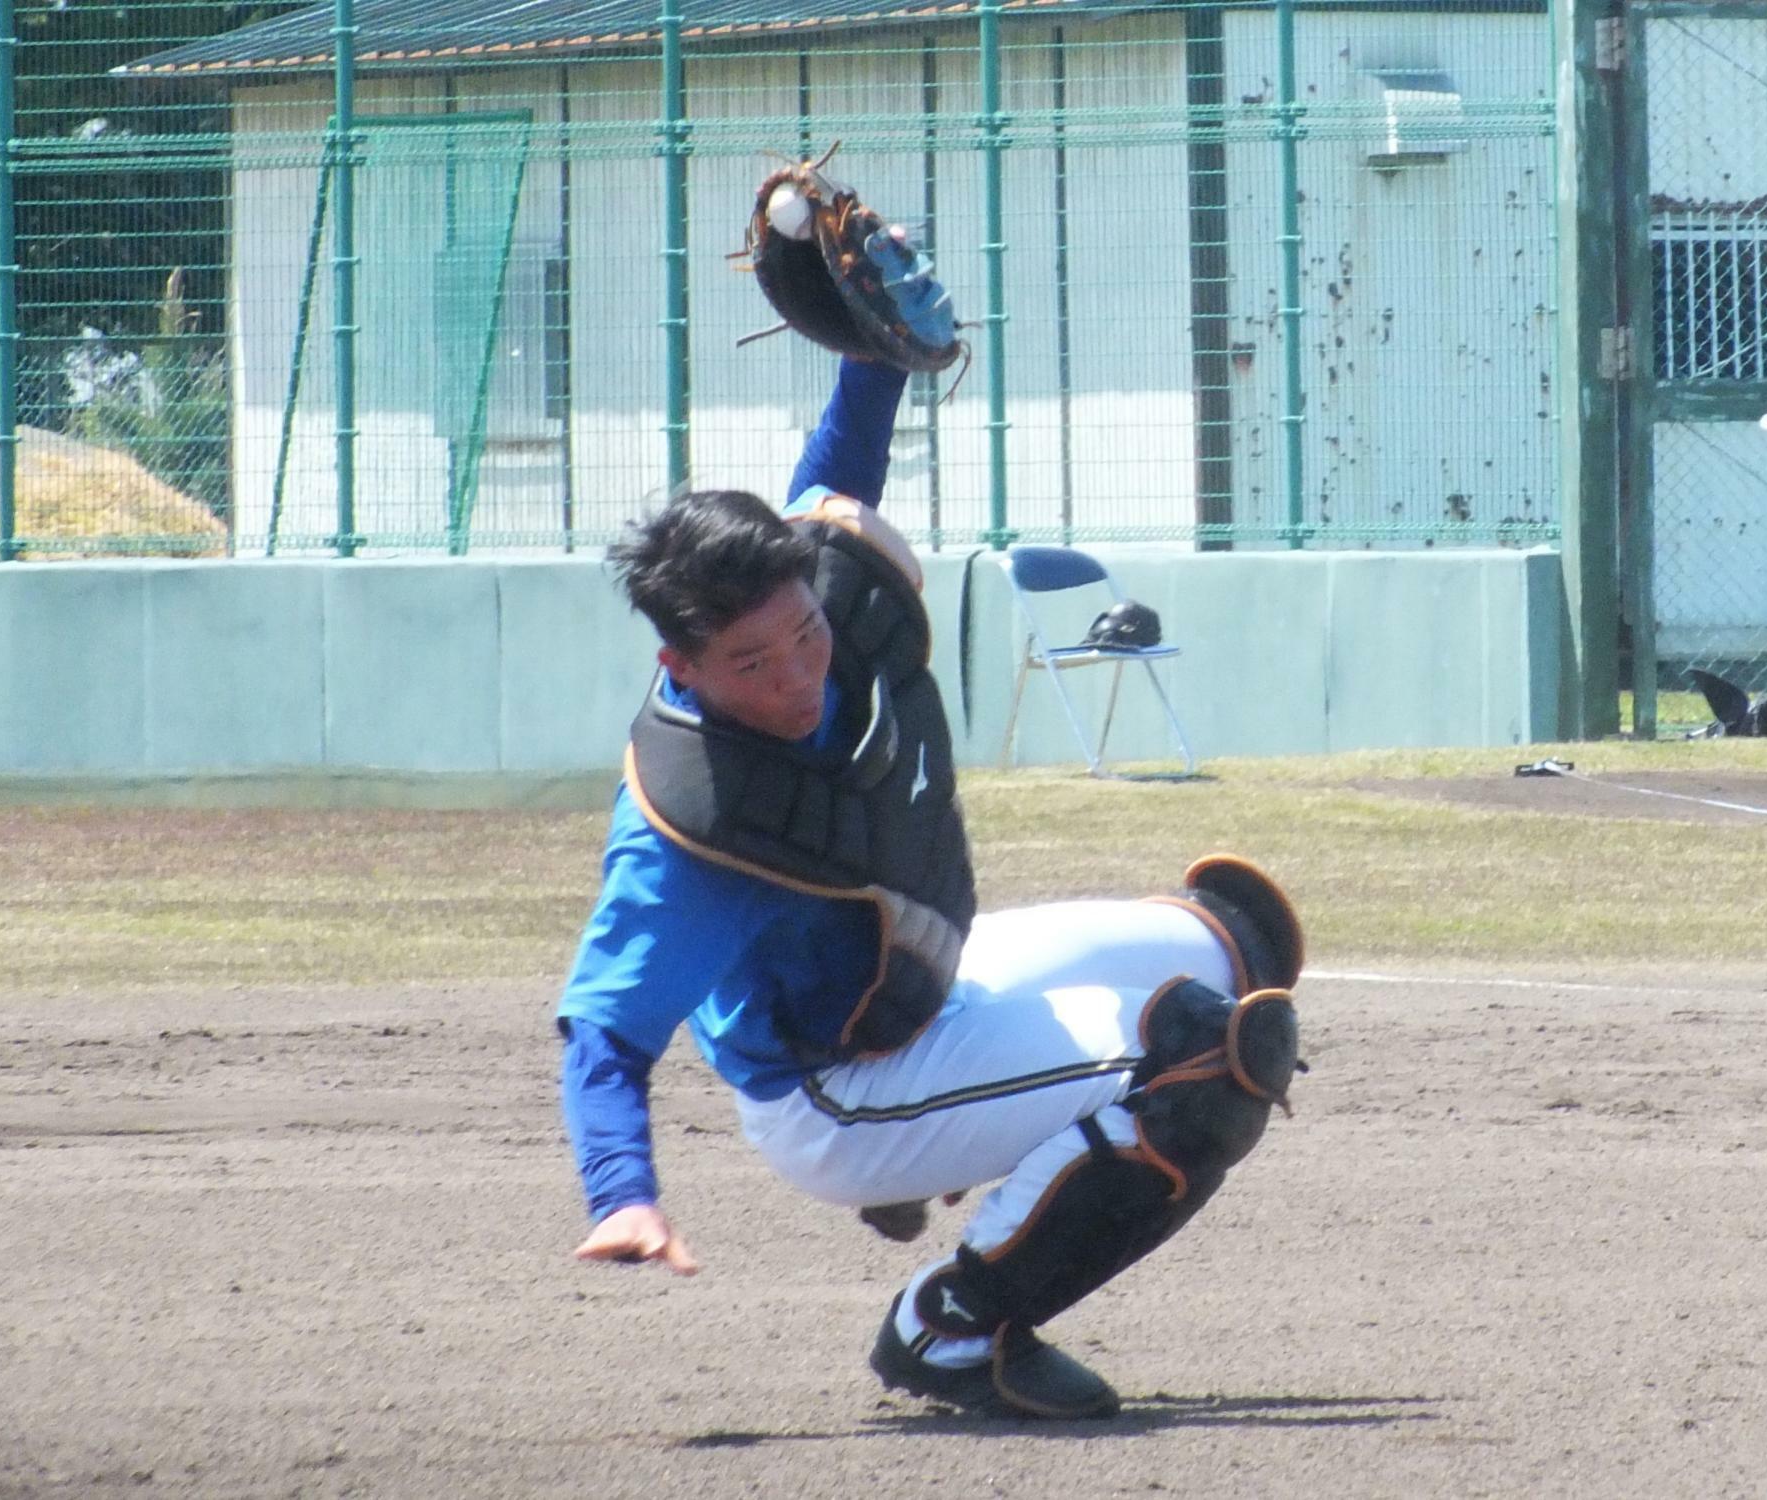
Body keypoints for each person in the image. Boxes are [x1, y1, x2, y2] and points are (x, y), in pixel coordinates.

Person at [555, 352, 1304, 1420]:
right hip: (829, 1092)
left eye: (803, 633)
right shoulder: (685, 836)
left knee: (1238, 940)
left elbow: (835, 485)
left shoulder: (816, 593)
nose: (797, 675)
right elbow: (604, 1034)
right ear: (680, 668)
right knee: (1208, 1058)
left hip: (920, 986)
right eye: (752, 663)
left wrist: (873, 358)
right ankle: (953, 1330)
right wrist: (622, 1193)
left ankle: (960, 1154)